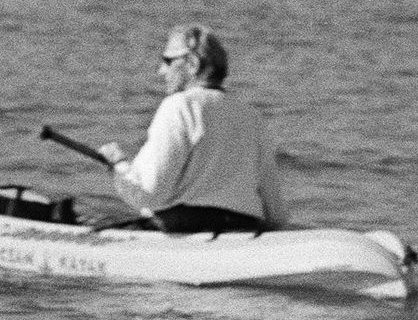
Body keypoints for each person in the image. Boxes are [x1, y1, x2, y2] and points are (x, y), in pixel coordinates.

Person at [98, 25, 289, 234]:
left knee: (91, 219)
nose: (161, 71)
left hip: (185, 229)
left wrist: (118, 164)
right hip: (245, 228)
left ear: (192, 64)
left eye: (168, 61)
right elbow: (277, 215)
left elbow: (147, 194)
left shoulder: (178, 106)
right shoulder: (252, 116)